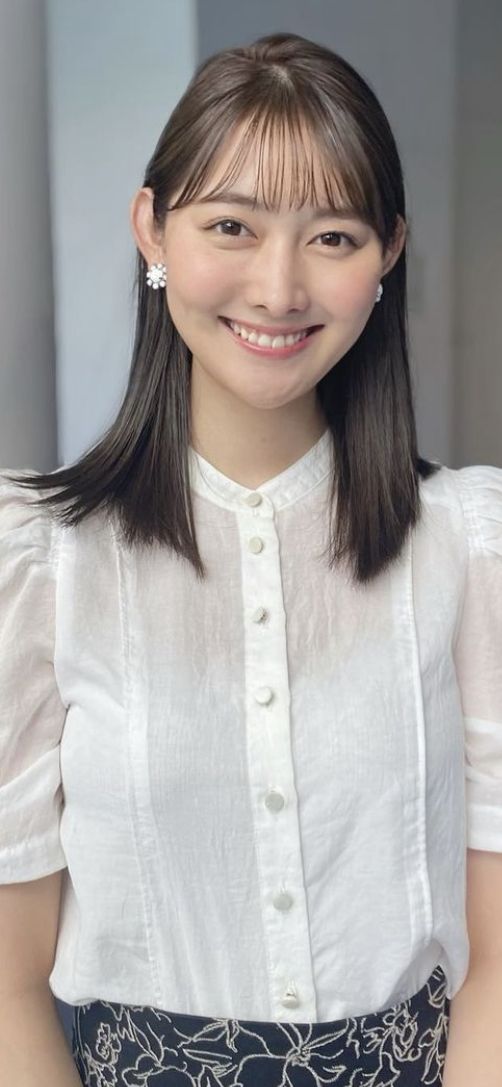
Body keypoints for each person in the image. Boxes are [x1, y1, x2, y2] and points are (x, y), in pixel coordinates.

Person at [0, 30, 501, 1087]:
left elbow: (500, 966)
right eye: (231, 225)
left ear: (388, 254)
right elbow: (7, 986)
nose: (278, 289)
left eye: (332, 236)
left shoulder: (466, 547)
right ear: (153, 228)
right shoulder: (47, 565)